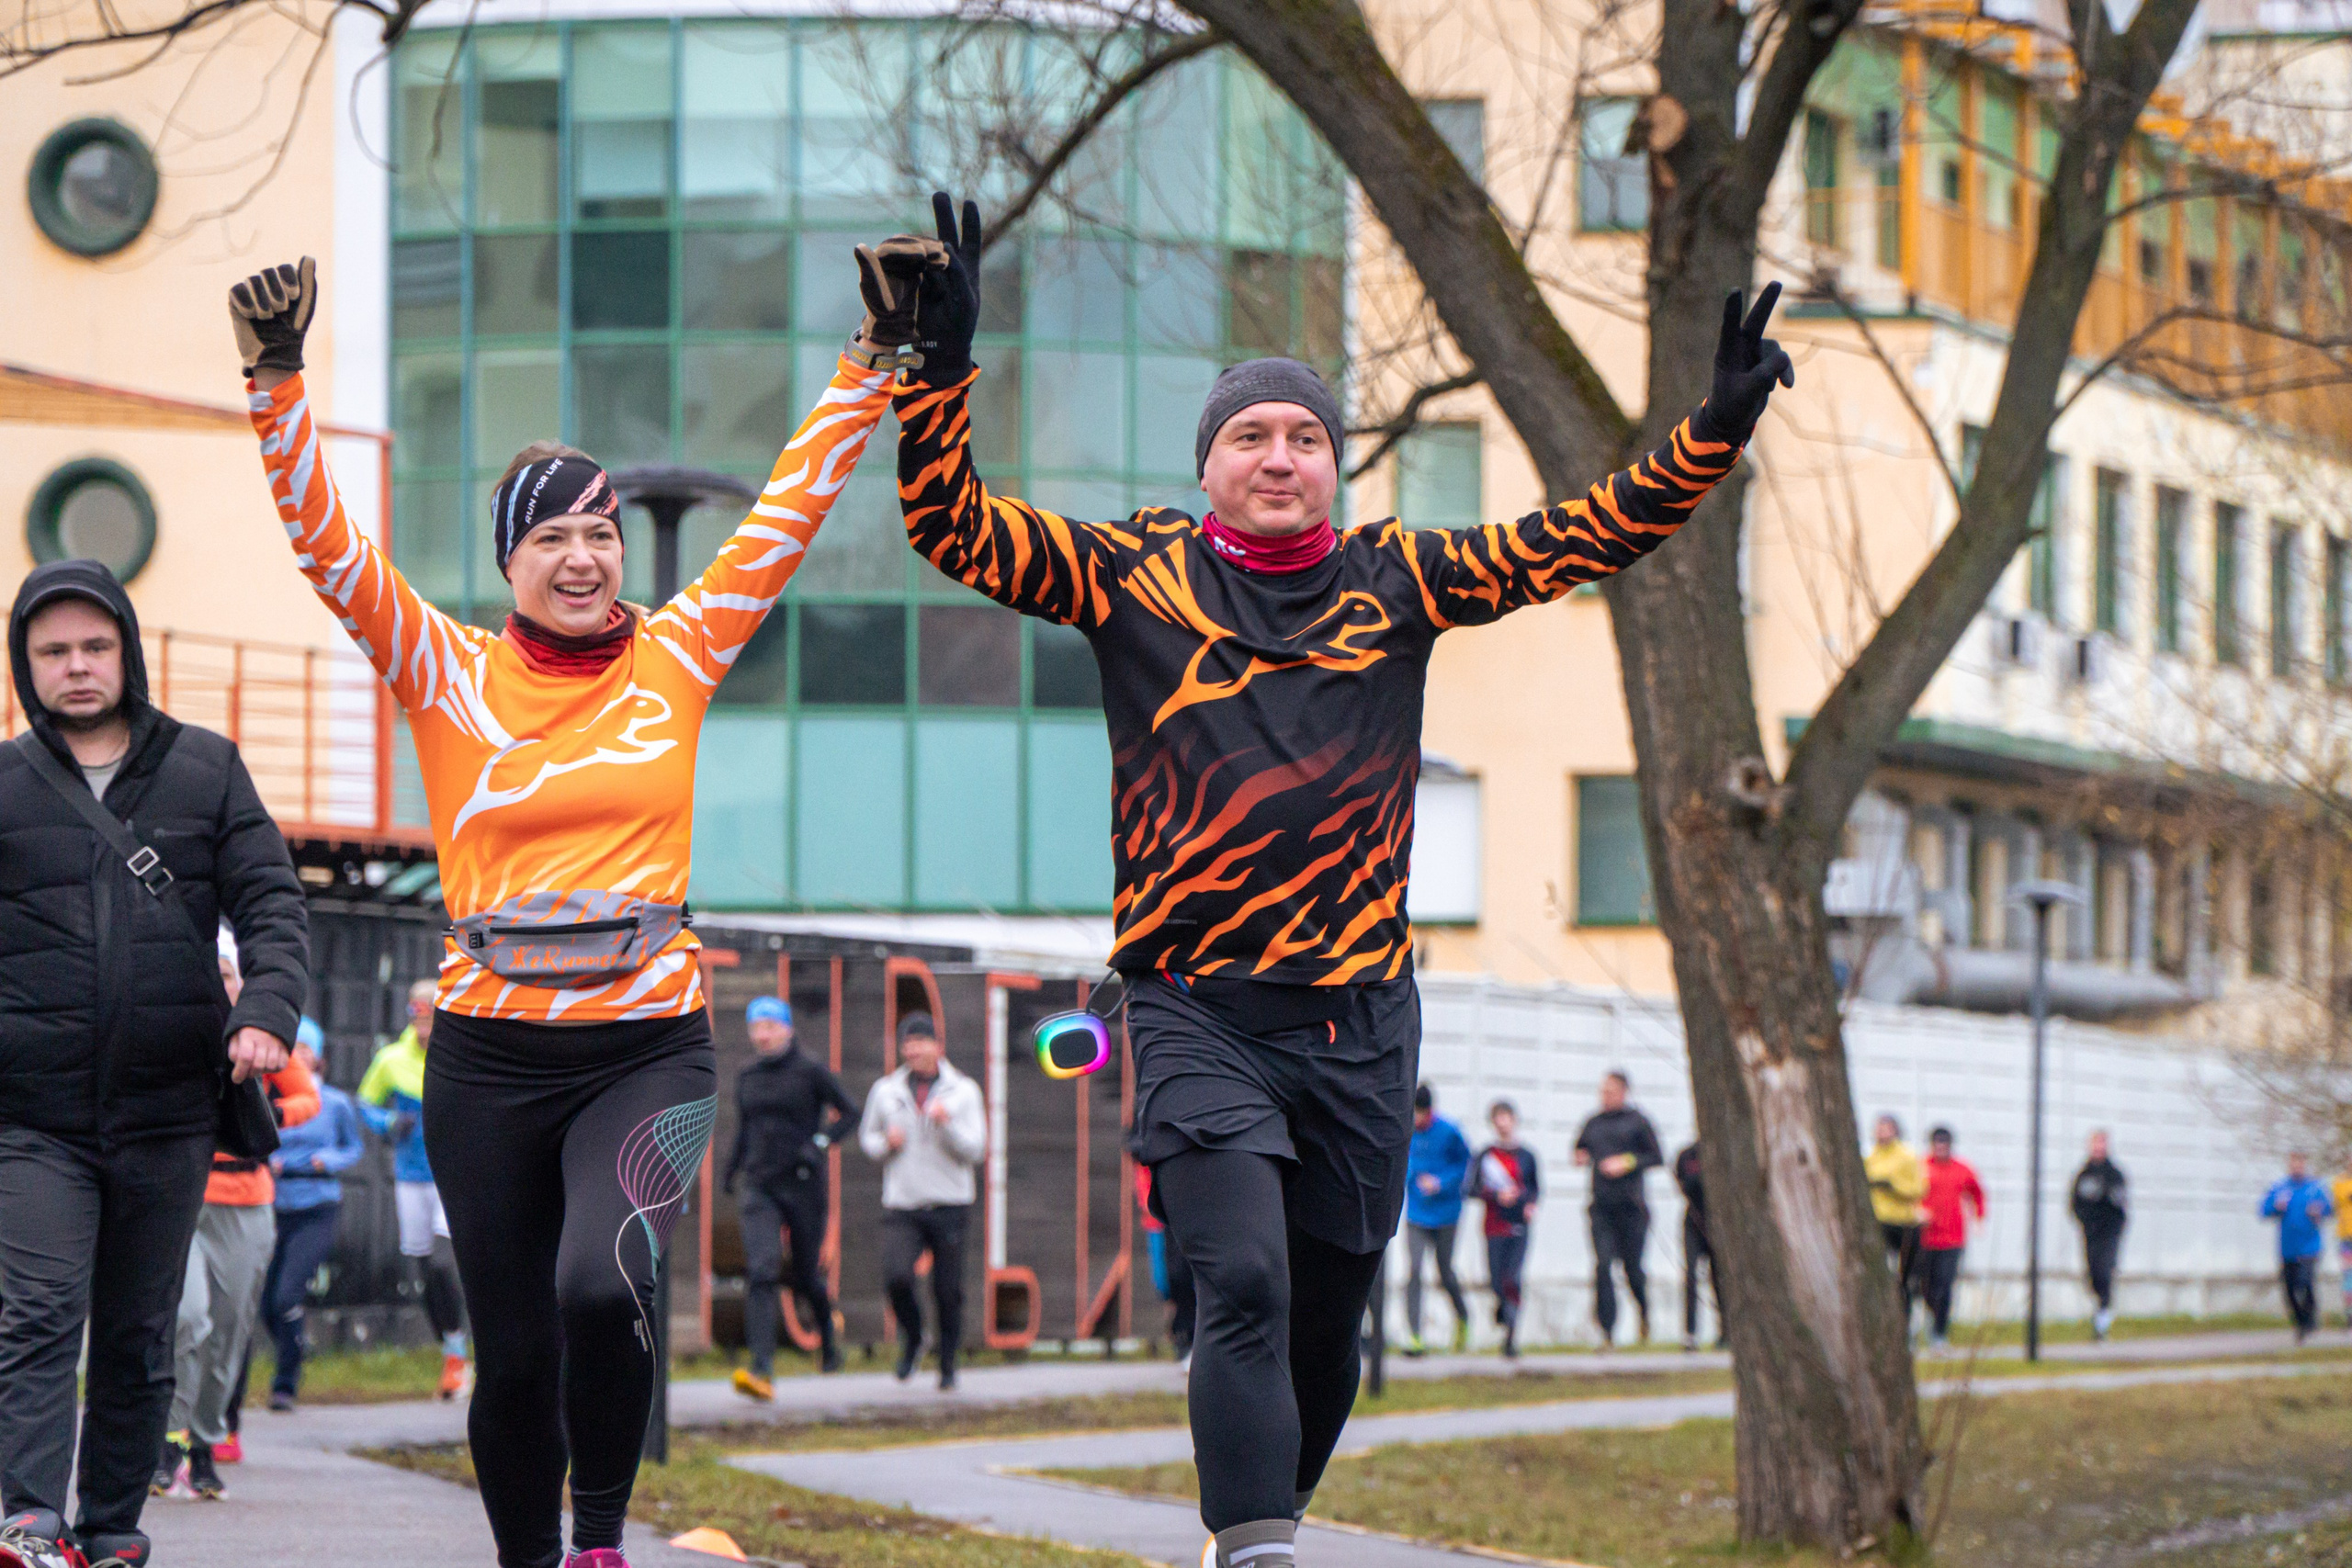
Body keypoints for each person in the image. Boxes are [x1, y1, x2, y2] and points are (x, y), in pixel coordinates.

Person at [893, 191, 1785, 1568]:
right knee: (1238, 1279)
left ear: (1336, 468)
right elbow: (955, 528)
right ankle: (1258, 1551)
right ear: (1208, 467)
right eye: (1250, 433)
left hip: (1364, 1022)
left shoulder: (1400, 581)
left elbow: (1583, 534)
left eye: (1306, 435)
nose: (1281, 454)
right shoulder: (1136, 572)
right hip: (1198, 1009)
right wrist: (941, 374)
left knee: (1324, 1324)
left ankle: (1258, 1520)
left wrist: (1711, 434)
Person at [234, 245, 914, 1568]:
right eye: (553, 534)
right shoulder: (446, 668)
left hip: (647, 1042)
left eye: (601, 529)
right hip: (487, 1056)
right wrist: (277, 379)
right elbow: (326, 541)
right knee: (516, 1346)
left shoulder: (680, 646)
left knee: (600, 1284)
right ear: (511, 559)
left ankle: (598, 1533)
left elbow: (788, 506)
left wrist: (868, 363)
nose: (587, 555)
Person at [0, 561, 307, 1568]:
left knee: (137, 1333)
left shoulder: (206, 769)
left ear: (125, 651)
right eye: (54, 652)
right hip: (31, 1116)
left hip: (170, 1107)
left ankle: (112, 1527)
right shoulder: (4, 786)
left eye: (95, 647)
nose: (77, 667)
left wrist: (265, 1008)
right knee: (38, 1312)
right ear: (25, 667)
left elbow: (271, 902)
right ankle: (29, 1520)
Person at [157, 933, 320, 1499]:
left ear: (241, 981)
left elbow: (308, 1098)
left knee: (227, 1332)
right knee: (187, 1317)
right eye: (214, 972)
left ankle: (204, 1444)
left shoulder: (260, 1031)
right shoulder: (174, 1026)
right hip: (185, 1195)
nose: (222, 983)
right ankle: (168, 1440)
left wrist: (271, 1111)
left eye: (229, 973)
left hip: (248, 1200)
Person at [724, 997, 856, 1398]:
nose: (762, 1035)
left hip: (802, 1185)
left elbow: (850, 1113)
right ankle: (761, 1368)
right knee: (761, 1271)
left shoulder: (811, 1070)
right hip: (760, 1185)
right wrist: (731, 1170)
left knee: (804, 1274)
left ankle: (829, 1343)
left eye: (769, 1026)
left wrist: (818, 1144)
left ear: (787, 1028)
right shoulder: (747, 1076)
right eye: (755, 1028)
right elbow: (745, 1129)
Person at [858, 1013, 987, 1391]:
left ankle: (948, 1365)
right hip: (903, 1203)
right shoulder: (886, 1090)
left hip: (949, 1202)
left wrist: (947, 1124)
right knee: (896, 1276)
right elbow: (869, 1139)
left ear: (938, 1045)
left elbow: (977, 1149)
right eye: (907, 1043)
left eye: (920, 1041)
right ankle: (913, 1336)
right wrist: (886, 1144)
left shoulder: (963, 1091)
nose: (913, 1049)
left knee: (948, 1289)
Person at [357, 980, 469, 1400]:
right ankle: (451, 1353)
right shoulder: (391, 1060)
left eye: (430, 1015)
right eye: (416, 1014)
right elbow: (365, 1102)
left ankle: (459, 1349)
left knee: (444, 1263)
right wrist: (387, 1124)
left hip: (452, 1176)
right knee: (424, 1273)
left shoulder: (460, 1055)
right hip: (410, 1176)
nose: (423, 1023)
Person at [263, 1019, 366, 1410]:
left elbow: (354, 1149)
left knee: (288, 1293)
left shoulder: (335, 1102)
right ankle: (294, 1345)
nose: (300, 1058)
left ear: (318, 1057)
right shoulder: (270, 1097)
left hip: (317, 1206)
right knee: (266, 1304)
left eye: (306, 1050)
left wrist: (327, 1161)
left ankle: (284, 1384)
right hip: (275, 1203)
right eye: (294, 1051)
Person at [1573, 1070, 1663, 1347]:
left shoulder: (1638, 1122)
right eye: (1602, 1091)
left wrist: (1626, 1162)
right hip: (1601, 1208)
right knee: (1602, 1267)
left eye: (1610, 1091)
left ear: (1623, 1092)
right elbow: (1579, 1148)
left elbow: (1656, 1156)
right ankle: (1607, 1332)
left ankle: (1644, 1312)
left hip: (1632, 1209)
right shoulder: (1593, 1122)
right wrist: (1580, 1156)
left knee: (1632, 1269)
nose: (1605, 1096)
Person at [1401, 1084, 1472, 1357]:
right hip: (1417, 1215)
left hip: (1446, 1215)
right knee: (1415, 1271)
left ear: (1429, 1112)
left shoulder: (1449, 1132)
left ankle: (1463, 1316)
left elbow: (1465, 1165)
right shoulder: (1406, 1131)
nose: (1416, 1120)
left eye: (1419, 1114)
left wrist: (1441, 1182)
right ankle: (1415, 1335)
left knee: (1444, 1272)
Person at [1472, 1101, 1540, 1359]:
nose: (1502, 1124)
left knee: (1513, 1278)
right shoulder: (1486, 1156)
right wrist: (1496, 1195)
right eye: (1497, 1119)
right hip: (1493, 1225)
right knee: (1496, 1279)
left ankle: (1511, 1335)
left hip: (1519, 1226)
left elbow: (1534, 1187)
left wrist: (1528, 1203)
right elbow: (1472, 1188)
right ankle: (1502, 1309)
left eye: (1506, 1118)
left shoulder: (1527, 1155)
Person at [1917, 1126, 1985, 1352]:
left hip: (1953, 1238)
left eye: (1944, 1145)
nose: (1941, 1149)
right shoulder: (1921, 1168)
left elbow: (1977, 1194)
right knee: (1926, 1286)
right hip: (1926, 1238)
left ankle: (1939, 1332)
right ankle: (1931, 1316)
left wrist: (1979, 1218)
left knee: (1945, 1285)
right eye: (1937, 1144)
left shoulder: (1962, 1169)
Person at [2261, 1153, 2334, 1343]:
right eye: (2294, 1165)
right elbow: (2264, 1210)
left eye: (2300, 1165)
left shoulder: (2314, 1188)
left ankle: (2310, 1318)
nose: (2297, 1168)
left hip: (2310, 1247)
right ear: (2289, 1166)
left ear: (2305, 1166)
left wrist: (2319, 1211)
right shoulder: (2281, 1188)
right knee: (2290, 1289)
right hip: (2288, 1248)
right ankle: (2301, 1322)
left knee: (2305, 1281)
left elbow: (2329, 1209)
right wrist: (2276, 1207)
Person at [1865, 1114, 1927, 1334]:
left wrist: (1893, 1187)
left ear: (1895, 1131)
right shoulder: (1870, 1157)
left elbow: (1918, 1190)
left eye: (1886, 1128)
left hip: (1903, 1224)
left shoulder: (1907, 1156)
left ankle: (1905, 1326)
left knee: (1906, 1279)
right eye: (1878, 1128)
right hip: (1878, 1223)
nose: (1881, 1132)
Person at [2069, 1130, 2128, 1341]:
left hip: (2109, 1234)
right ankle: (2100, 1308)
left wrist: (2116, 1228)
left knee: (2105, 1272)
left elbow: (2121, 1206)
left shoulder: (2115, 1175)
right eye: (2095, 1144)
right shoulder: (2083, 1175)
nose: (2098, 1148)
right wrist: (2084, 1221)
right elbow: (2075, 1203)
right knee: (2093, 1274)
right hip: (2090, 1233)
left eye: (2102, 1144)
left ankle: (2102, 1320)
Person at [1136, 1164, 1197, 1361]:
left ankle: (1188, 1338)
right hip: (1159, 1220)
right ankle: (1182, 1335)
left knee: (1187, 1278)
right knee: (1166, 1282)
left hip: (1186, 1216)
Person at [1674, 1140, 1720, 1351]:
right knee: (1690, 1277)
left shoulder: (1722, 1152)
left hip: (1720, 1223)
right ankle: (1690, 1333)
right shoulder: (1687, 1155)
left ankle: (1726, 1331)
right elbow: (1683, 1184)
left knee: (1720, 1278)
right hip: (1693, 1222)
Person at [2334, 1164, 2352, 1329]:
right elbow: (2336, 1201)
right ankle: (2350, 1315)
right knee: (2349, 1277)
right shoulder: (2340, 1183)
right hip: (2347, 1238)